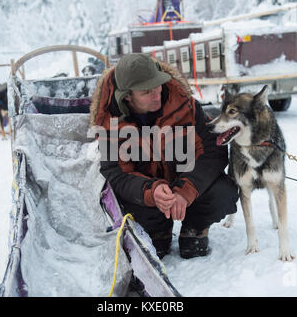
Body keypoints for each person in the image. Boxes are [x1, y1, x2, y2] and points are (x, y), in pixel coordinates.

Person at [90, 53, 238, 259]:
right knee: (125, 203)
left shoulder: (186, 106)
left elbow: (212, 152)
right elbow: (116, 174)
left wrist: (186, 190)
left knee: (223, 192)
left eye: (158, 85)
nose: (157, 94)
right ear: (127, 96)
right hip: (148, 197)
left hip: (185, 186)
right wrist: (152, 191)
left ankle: (194, 228)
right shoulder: (109, 124)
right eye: (146, 91)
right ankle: (158, 232)